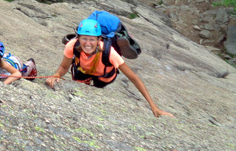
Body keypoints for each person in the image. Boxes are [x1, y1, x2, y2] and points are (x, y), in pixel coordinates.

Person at [45, 18, 173, 118]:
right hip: (82, 71)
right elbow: (64, 66)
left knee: (96, 88)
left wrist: (153, 106)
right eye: (84, 39)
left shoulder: (109, 52)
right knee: (79, 82)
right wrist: (56, 75)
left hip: (104, 76)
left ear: (99, 39)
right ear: (78, 38)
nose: (87, 43)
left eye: (92, 40)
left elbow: (134, 78)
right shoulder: (72, 45)